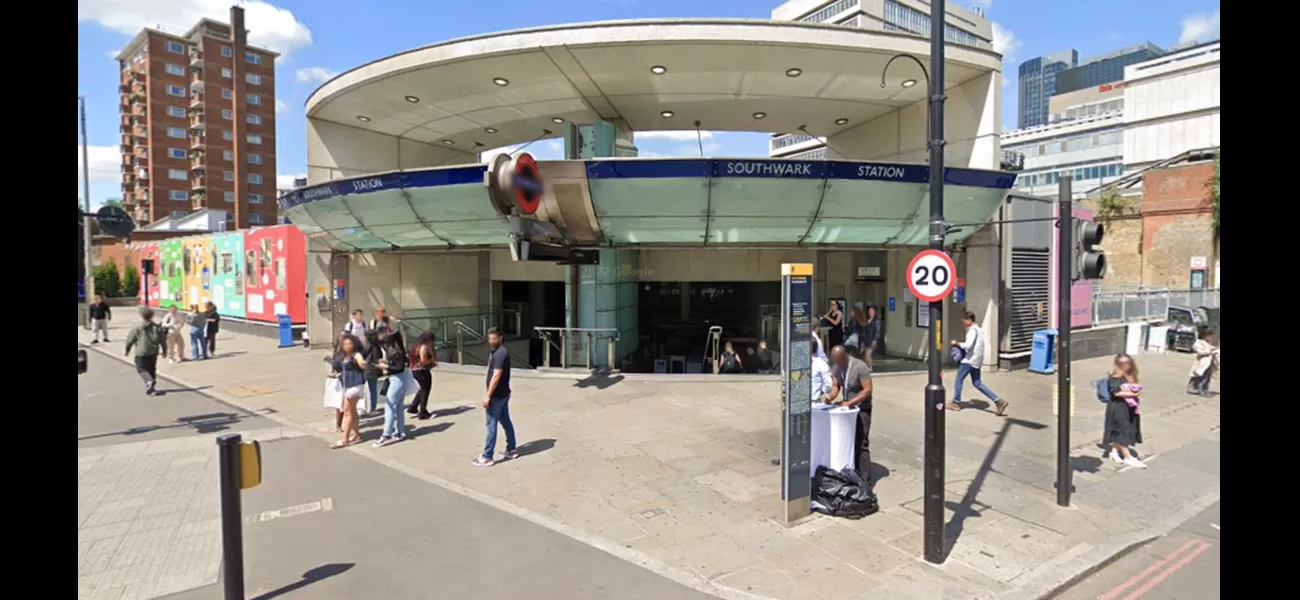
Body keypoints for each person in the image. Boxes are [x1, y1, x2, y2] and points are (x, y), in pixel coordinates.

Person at [828, 345, 874, 482]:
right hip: (847, 409)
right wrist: (831, 396)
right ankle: (852, 470)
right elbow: (836, 385)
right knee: (849, 439)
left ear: (845, 357)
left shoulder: (860, 367)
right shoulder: (837, 367)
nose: (838, 364)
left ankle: (865, 477)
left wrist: (849, 403)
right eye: (836, 361)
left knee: (861, 441)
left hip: (862, 408)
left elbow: (867, 390)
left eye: (840, 361)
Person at [949, 311, 1009, 415]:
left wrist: (957, 343)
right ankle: (998, 401)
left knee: (958, 380)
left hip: (969, 360)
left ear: (969, 320)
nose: (963, 323)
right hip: (977, 360)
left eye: (964, 321)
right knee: (977, 383)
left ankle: (956, 403)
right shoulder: (980, 330)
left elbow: (968, 346)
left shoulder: (972, 331)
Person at [474, 327, 517, 467]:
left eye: (494, 338)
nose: (491, 341)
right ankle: (512, 449)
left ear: (500, 338)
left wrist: (488, 395)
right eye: (490, 338)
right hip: (504, 394)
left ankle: (487, 456)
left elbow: (496, 375)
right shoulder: (499, 352)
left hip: (497, 395)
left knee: (491, 424)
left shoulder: (499, 353)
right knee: (505, 421)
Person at [1103, 354, 1146, 469]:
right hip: (1118, 407)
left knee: (1122, 430)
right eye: (1122, 363)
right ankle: (1128, 457)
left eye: (1127, 362)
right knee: (1123, 431)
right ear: (1117, 364)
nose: (1125, 365)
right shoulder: (1115, 376)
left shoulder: (1131, 374)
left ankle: (1114, 452)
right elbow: (1116, 393)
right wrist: (1134, 394)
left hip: (1130, 407)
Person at [329, 334, 368, 449]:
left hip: (355, 386)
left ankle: (345, 439)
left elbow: (361, 361)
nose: (348, 346)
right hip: (348, 385)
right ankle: (356, 435)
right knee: (352, 411)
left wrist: (363, 364)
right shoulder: (343, 356)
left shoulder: (356, 355)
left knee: (347, 412)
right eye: (345, 344)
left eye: (350, 344)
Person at [373, 327, 410, 447]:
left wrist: (385, 367)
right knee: (398, 406)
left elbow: (399, 368)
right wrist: (387, 364)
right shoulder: (399, 350)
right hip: (400, 379)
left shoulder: (395, 352)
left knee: (389, 407)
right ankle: (399, 431)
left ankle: (386, 434)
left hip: (397, 380)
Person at [124, 307, 166, 395]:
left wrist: (127, 350)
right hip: (153, 351)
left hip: (141, 351)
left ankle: (149, 381)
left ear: (142, 316)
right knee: (151, 368)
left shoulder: (138, 327)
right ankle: (152, 387)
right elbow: (162, 340)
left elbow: (130, 339)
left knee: (141, 368)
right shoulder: (156, 327)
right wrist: (164, 350)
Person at [407, 331, 437, 420]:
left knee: (422, 389)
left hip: (415, 370)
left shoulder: (416, 345)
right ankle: (423, 412)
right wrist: (431, 360)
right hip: (421, 370)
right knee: (425, 390)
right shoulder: (424, 347)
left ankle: (413, 407)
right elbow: (423, 361)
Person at [1187, 329, 1218, 397]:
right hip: (1202, 363)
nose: (1210, 337)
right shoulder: (1198, 343)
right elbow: (1200, 352)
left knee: (1207, 377)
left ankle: (1205, 389)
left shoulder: (1207, 342)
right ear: (1204, 335)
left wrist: (1215, 350)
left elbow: (1212, 349)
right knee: (1200, 376)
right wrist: (1209, 351)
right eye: (1209, 335)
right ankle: (1198, 389)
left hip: (1209, 363)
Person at [361, 329, 384, 415]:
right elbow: (380, 355)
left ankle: (364, 408)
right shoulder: (376, 345)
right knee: (373, 389)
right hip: (374, 368)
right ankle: (372, 408)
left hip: (365, 368)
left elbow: (362, 355)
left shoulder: (365, 345)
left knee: (364, 389)